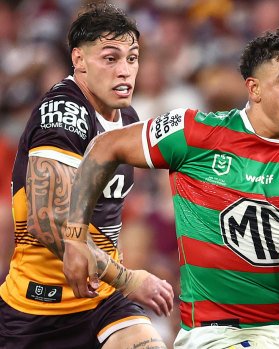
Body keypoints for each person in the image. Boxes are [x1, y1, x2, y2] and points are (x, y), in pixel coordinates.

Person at [62, 28, 279, 349]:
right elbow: (105, 147)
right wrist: (75, 237)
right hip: (211, 333)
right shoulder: (195, 134)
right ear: (254, 90)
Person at [0, 3, 173, 348]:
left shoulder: (127, 118)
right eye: (110, 58)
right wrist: (127, 279)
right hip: (39, 308)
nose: (125, 70)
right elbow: (46, 219)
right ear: (78, 60)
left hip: (102, 302)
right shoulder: (63, 112)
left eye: (132, 58)